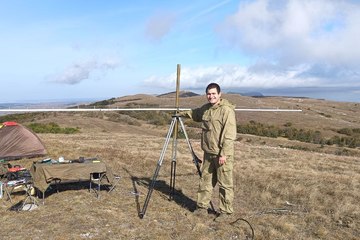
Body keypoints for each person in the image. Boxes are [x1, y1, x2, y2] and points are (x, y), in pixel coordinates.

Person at [181, 83, 237, 220]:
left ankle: (226, 212)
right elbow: (194, 114)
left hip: (221, 154)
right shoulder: (206, 109)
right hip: (208, 153)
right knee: (205, 181)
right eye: (208, 94)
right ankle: (201, 208)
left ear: (219, 94)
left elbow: (229, 134)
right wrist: (180, 113)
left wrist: (224, 153)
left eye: (213, 94)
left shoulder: (226, 111)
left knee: (225, 184)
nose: (211, 96)